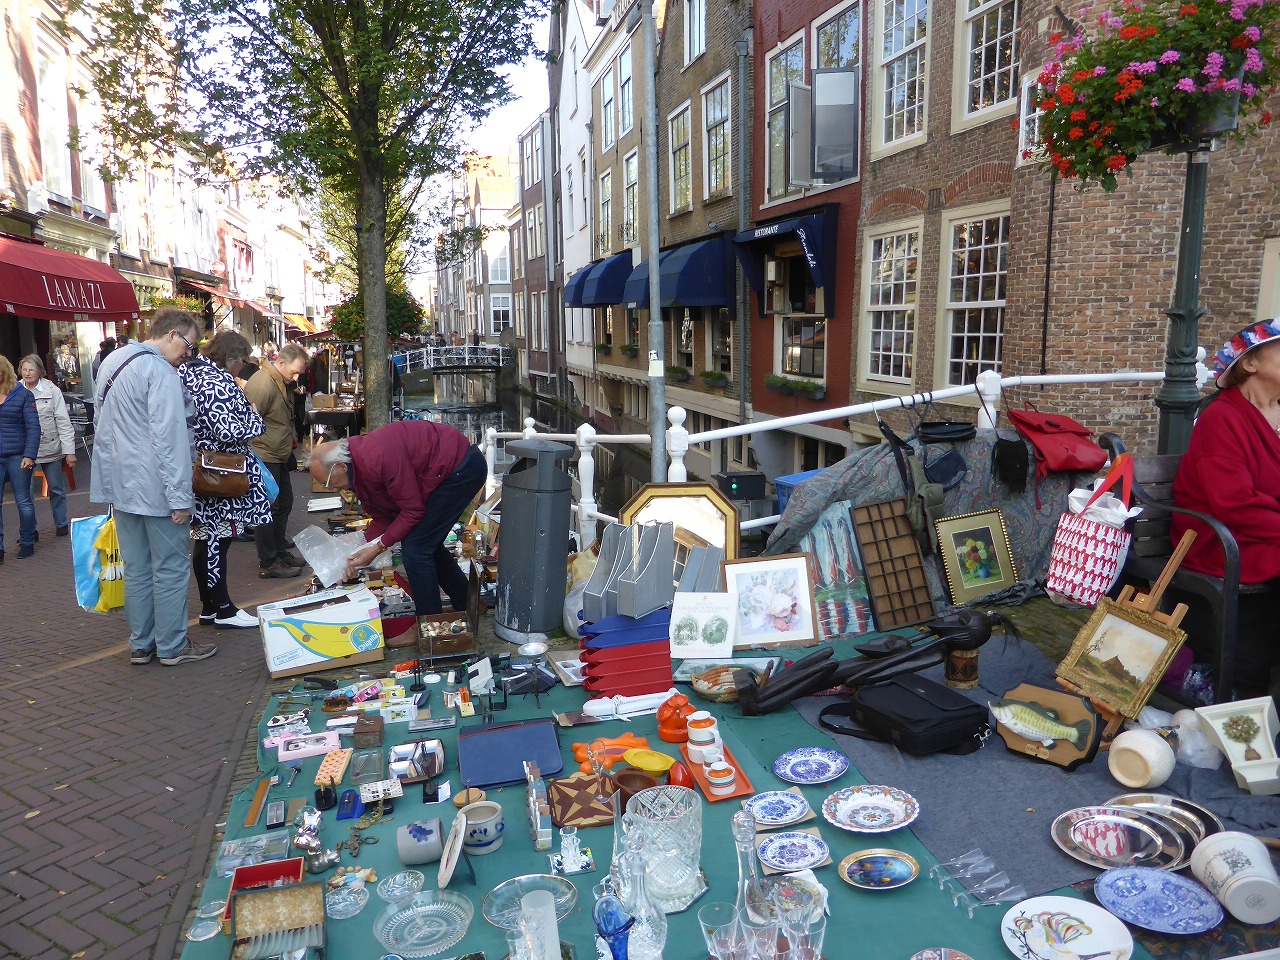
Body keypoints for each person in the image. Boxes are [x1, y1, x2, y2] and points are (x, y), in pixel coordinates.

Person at [91, 308, 216, 666]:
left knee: (137, 567)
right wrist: (180, 498)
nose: (188, 355)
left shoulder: (112, 362)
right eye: (189, 346)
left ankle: (141, 643)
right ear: (173, 334)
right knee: (170, 567)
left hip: (122, 485)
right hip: (157, 487)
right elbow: (170, 439)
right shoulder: (160, 372)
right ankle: (172, 645)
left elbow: (102, 426)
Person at [1172, 317, 1280, 699]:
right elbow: (1234, 503)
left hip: (1266, 532)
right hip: (1223, 538)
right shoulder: (1221, 418)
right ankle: (1251, 691)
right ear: (1249, 363)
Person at [309, 421, 486, 615]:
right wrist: (350, 556)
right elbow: (385, 517)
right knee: (425, 543)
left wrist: (378, 547)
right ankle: (468, 603)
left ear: (341, 466)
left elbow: (412, 511)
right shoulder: (358, 467)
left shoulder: (377, 459)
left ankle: (428, 623)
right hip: (443, 470)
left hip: (460, 468)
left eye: (328, 483)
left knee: (416, 548)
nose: (331, 489)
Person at [179, 332, 273, 627]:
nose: (243, 367)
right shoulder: (214, 380)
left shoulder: (193, 373)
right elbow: (227, 430)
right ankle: (223, 609)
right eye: (242, 361)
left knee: (207, 539)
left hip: (205, 468)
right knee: (218, 538)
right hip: (221, 471)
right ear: (231, 358)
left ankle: (210, 606)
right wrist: (255, 420)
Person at [245, 342, 310, 578]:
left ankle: (279, 551)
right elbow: (249, 419)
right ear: (280, 362)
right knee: (268, 507)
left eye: (299, 373)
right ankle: (269, 561)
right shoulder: (263, 383)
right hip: (265, 454)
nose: (296, 377)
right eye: (294, 372)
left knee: (284, 503)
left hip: (277, 452)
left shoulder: (280, 381)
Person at [18, 355, 76, 537]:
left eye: (31, 370)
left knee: (56, 488)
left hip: (50, 446)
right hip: (25, 450)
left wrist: (69, 451)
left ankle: (61, 523)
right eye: (24, 370)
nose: (27, 373)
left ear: (40, 371)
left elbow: (63, 421)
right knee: (25, 493)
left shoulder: (52, 391)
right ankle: (30, 530)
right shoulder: (15, 390)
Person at [0, 356, 39, 561]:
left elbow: (33, 428)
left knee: (23, 501)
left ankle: (27, 542)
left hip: (18, 455)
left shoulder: (23, 395)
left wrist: (29, 455)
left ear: (4, 372)